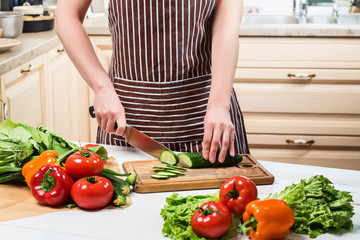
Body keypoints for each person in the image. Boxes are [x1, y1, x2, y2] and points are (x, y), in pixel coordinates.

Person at [55, 0, 249, 164]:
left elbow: (226, 27)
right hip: (126, 120)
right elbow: (66, 16)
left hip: (206, 116)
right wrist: (102, 88)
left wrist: (219, 106)